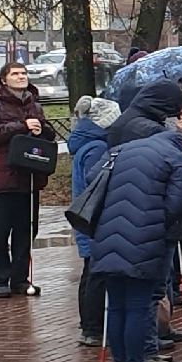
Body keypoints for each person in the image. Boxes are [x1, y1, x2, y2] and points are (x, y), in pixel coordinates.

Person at [88, 79, 182, 362]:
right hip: (145, 239)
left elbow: (96, 178)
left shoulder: (122, 148)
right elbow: (176, 206)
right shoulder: (175, 157)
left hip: (107, 238)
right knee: (138, 307)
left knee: (118, 308)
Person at [0, 60, 55, 299]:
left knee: (27, 231)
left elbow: (50, 134)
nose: (22, 77)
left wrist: (42, 129)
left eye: (24, 73)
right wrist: (20, 126)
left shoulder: (35, 105)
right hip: (3, 179)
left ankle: (20, 279)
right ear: (3, 80)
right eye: (15, 74)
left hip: (29, 178)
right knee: (1, 233)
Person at [65, 94, 121, 346]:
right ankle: (92, 327)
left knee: (91, 271)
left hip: (87, 216)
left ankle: (89, 324)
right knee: (95, 273)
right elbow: (96, 182)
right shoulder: (97, 147)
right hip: (94, 217)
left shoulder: (88, 143)